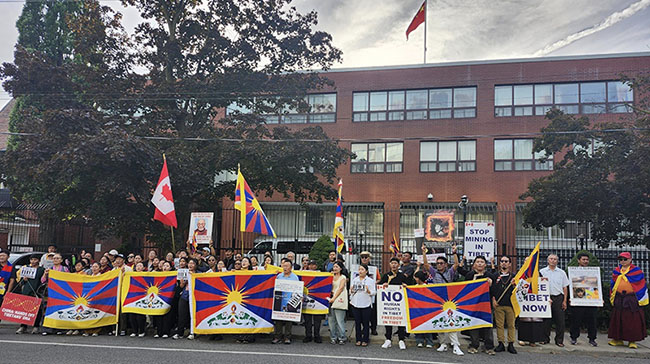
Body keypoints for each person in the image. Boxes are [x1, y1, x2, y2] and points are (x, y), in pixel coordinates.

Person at [608, 252, 648, 349]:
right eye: (621, 259)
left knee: (632, 320)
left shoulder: (636, 271)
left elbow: (640, 284)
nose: (622, 261)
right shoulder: (617, 271)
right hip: (619, 297)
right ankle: (618, 339)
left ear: (630, 260)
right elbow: (613, 283)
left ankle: (632, 340)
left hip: (631, 298)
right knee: (617, 318)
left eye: (625, 259)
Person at [379, 257, 414, 350]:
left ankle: (401, 340)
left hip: (399, 304)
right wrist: (383, 286)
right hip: (388, 304)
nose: (394, 265)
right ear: (389, 265)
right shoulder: (386, 275)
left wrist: (406, 286)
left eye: (395, 263)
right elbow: (379, 287)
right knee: (388, 320)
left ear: (398, 265)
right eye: (392, 263)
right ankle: (388, 339)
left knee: (401, 321)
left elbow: (410, 286)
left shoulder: (402, 276)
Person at [464, 256, 495, 355]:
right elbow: (466, 289)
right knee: (473, 326)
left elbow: (494, 290)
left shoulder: (490, 275)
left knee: (488, 326)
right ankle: (474, 345)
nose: (480, 264)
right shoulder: (469, 275)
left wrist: (490, 285)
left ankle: (489, 347)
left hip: (486, 305)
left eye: (482, 262)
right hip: (473, 305)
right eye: (478, 262)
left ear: (485, 264)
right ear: (474, 264)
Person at [540, 254, 569, 347]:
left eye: (555, 259)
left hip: (558, 297)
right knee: (546, 320)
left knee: (560, 320)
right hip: (546, 297)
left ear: (557, 261)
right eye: (551, 259)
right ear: (548, 260)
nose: (553, 261)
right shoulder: (542, 271)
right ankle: (544, 339)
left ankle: (559, 340)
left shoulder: (562, 272)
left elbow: (565, 287)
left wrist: (564, 301)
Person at [569, 252, 598, 347]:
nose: (585, 261)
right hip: (578, 299)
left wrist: (599, 297)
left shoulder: (593, 272)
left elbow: (596, 286)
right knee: (576, 320)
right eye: (583, 259)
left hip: (591, 300)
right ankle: (574, 337)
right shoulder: (573, 271)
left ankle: (592, 339)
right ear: (578, 260)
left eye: (586, 260)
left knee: (592, 321)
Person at [491, 255, 517, 354]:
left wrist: (515, 285)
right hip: (498, 304)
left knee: (511, 325)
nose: (504, 263)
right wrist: (493, 299)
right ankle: (501, 343)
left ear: (510, 264)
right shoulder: (495, 276)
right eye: (502, 261)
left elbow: (519, 290)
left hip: (511, 305)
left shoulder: (514, 276)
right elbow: (492, 289)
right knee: (499, 325)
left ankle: (511, 343)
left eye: (506, 261)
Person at [272, 258, 299, 344]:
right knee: (278, 320)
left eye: (287, 266)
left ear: (291, 267)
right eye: (283, 266)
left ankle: (287, 337)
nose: (285, 268)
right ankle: (277, 336)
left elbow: (298, 290)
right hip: (280, 301)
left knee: (288, 320)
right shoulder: (279, 276)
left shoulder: (295, 277)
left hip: (289, 301)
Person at [15, 255, 45, 334]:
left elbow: (43, 281)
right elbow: (21, 282)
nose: (33, 261)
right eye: (31, 259)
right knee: (24, 309)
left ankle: (36, 326)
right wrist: (24, 279)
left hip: (36, 291)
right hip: (26, 291)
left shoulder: (41, 270)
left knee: (37, 310)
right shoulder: (26, 268)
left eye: (35, 259)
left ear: (38, 260)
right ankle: (23, 326)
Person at [350, 264, 376, 347]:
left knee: (365, 323)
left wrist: (369, 291)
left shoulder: (370, 281)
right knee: (357, 322)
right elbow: (351, 291)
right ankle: (358, 339)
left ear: (366, 271)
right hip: (356, 303)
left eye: (362, 269)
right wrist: (351, 290)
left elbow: (374, 292)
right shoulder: (355, 279)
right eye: (359, 269)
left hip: (366, 304)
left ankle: (365, 339)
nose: (360, 271)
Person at [173, 258, 197, 340]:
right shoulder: (184, 273)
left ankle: (192, 332)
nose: (190, 265)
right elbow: (181, 286)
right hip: (184, 294)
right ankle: (180, 333)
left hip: (194, 295)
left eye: (192, 263)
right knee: (182, 314)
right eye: (189, 263)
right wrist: (182, 283)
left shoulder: (198, 274)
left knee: (192, 315)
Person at [412, 271, 435, 349]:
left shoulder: (427, 287)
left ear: (419, 278)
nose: (415, 279)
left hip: (426, 310)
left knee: (427, 325)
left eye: (416, 277)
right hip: (417, 309)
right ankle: (419, 341)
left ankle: (429, 341)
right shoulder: (414, 286)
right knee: (418, 325)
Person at [303, 260, 324, 344]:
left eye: (314, 265)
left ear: (316, 266)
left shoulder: (320, 273)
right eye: (310, 265)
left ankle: (317, 335)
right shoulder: (304, 273)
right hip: (307, 298)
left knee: (317, 320)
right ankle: (308, 335)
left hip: (317, 299)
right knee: (307, 320)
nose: (312, 267)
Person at [154, 260, 177, 338]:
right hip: (159, 297)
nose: (165, 267)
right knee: (158, 314)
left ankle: (166, 332)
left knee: (167, 315)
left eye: (167, 266)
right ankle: (158, 331)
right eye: (164, 265)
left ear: (170, 268)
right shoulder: (158, 275)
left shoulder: (173, 276)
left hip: (169, 297)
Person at [328, 261, 348, 345]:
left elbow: (340, 288)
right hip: (330, 299)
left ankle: (342, 337)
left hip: (338, 299)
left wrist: (333, 298)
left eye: (337, 267)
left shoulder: (343, 277)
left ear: (340, 268)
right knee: (331, 321)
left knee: (340, 320)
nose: (335, 268)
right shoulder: (330, 276)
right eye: (334, 267)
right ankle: (333, 337)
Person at [359, 251, 379, 335]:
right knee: (362, 312)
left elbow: (379, 279)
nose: (364, 259)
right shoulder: (357, 268)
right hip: (361, 293)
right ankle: (364, 327)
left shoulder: (374, 269)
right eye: (362, 257)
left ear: (369, 258)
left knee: (372, 313)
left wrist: (373, 283)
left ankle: (373, 328)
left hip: (371, 293)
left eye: (366, 257)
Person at [129, 262, 147, 337]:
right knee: (132, 316)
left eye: (140, 266)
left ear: (143, 268)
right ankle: (134, 330)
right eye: (137, 266)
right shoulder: (131, 275)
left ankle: (142, 330)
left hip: (143, 297)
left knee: (140, 316)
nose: (139, 267)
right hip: (132, 297)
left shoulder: (147, 275)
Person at [0, 250, 17, 322]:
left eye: (3, 256)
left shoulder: (11, 267)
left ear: (8, 257)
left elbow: (12, 281)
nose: (1, 257)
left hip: (3, 291)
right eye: (0, 256)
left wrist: (8, 293)